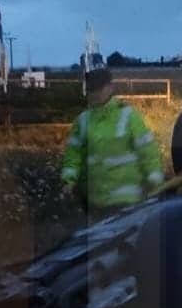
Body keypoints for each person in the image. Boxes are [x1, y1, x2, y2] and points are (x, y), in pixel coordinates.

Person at [60, 67, 164, 214]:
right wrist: (68, 181)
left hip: (127, 201)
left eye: (98, 89)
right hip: (95, 202)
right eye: (91, 89)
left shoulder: (129, 116)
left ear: (109, 88)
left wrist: (154, 180)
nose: (94, 93)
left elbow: (147, 151)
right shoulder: (82, 121)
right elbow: (73, 155)